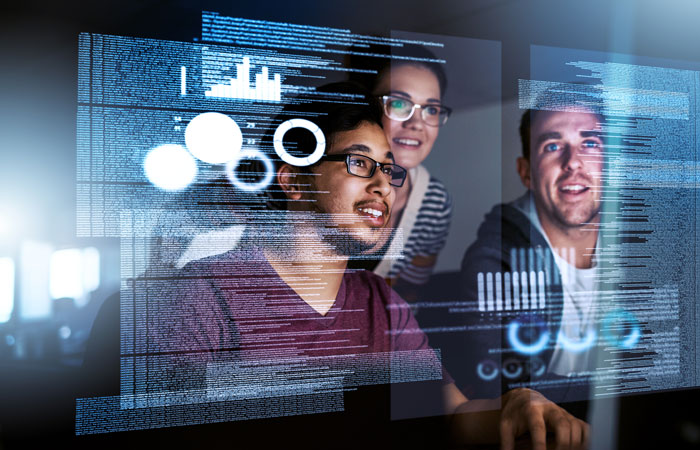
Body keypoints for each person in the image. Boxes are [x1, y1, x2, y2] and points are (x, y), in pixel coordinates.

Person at [148, 82, 589, 449]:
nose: (384, 185)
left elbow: (450, 412)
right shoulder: (198, 298)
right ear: (295, 180)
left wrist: (512, 406)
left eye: (389, 170)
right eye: (360, 163)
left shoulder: (381, 301)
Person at [459, 87, 605, 403]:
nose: (573, 163)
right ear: (526, 172)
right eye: (553, 146)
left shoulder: (646, 246)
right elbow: (500, 384)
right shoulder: (493, 261)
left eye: (589, 144)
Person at [347, 46, 453, 294]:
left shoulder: (433, 202)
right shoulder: (318, 177)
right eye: (398, 103)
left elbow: (409, 291)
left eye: (431, 110)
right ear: (364, 106)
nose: (416, 124)